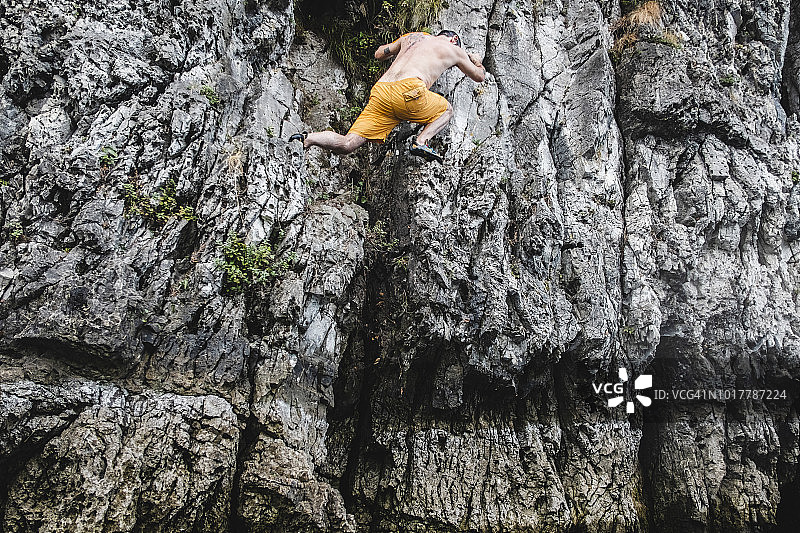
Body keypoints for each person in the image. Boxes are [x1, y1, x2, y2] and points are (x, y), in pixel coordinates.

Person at [289, 30, 486, 163]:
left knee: (347, 144)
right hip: (408, 90)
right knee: (446, 110)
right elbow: (479, 76)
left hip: (381, 91)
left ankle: (307, 139)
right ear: (453, 39)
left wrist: (398, 52)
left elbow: (379, 54)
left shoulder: (412, 37)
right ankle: (421, 142)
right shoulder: (454, 48)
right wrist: (476, 61)